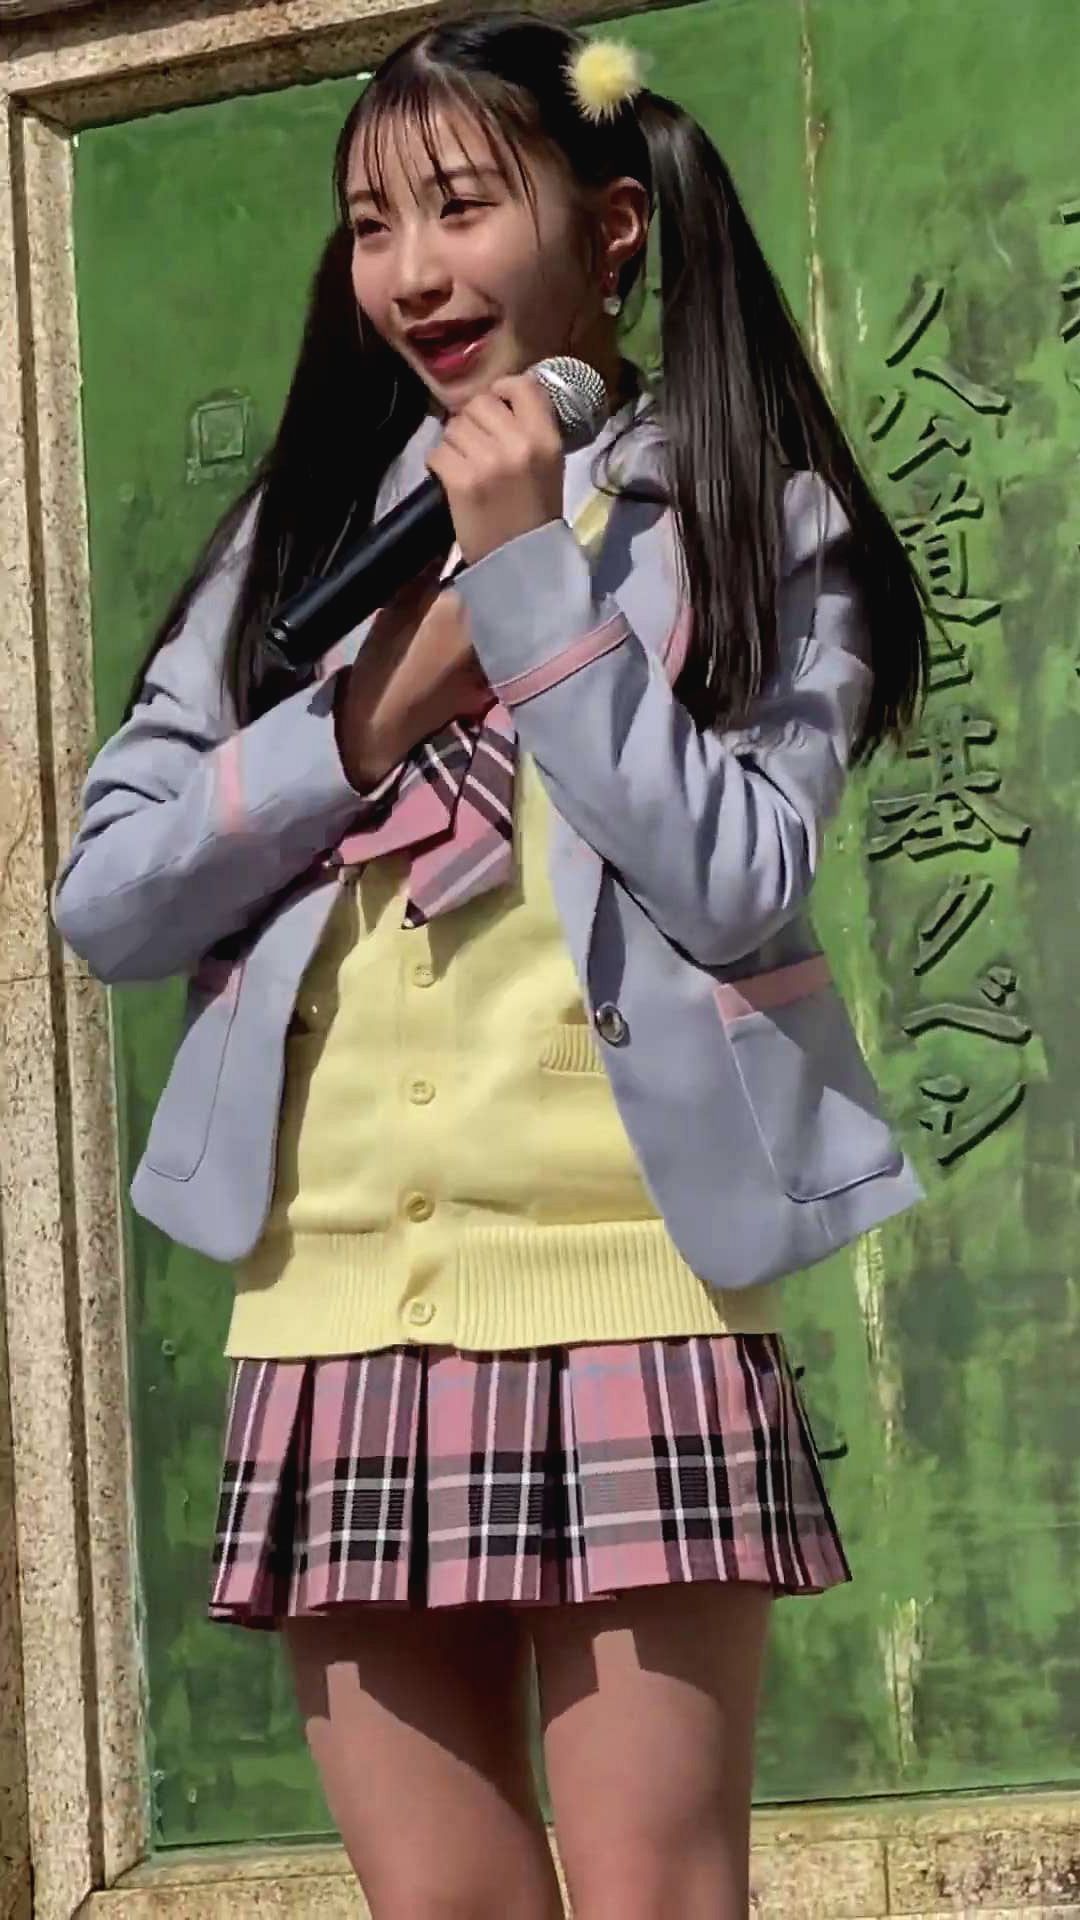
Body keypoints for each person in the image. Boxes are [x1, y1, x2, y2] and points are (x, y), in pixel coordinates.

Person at [54, 13, 927, 1917]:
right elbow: (109, 898)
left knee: (653, 1892)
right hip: (335, 1311)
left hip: (632, 1289)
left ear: (612, 228)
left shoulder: (758, 521)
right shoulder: (305, 533)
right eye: (373, 224)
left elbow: (739, 872)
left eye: (461, 206)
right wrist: (363, 719)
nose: (411, 272)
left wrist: (530, 580)